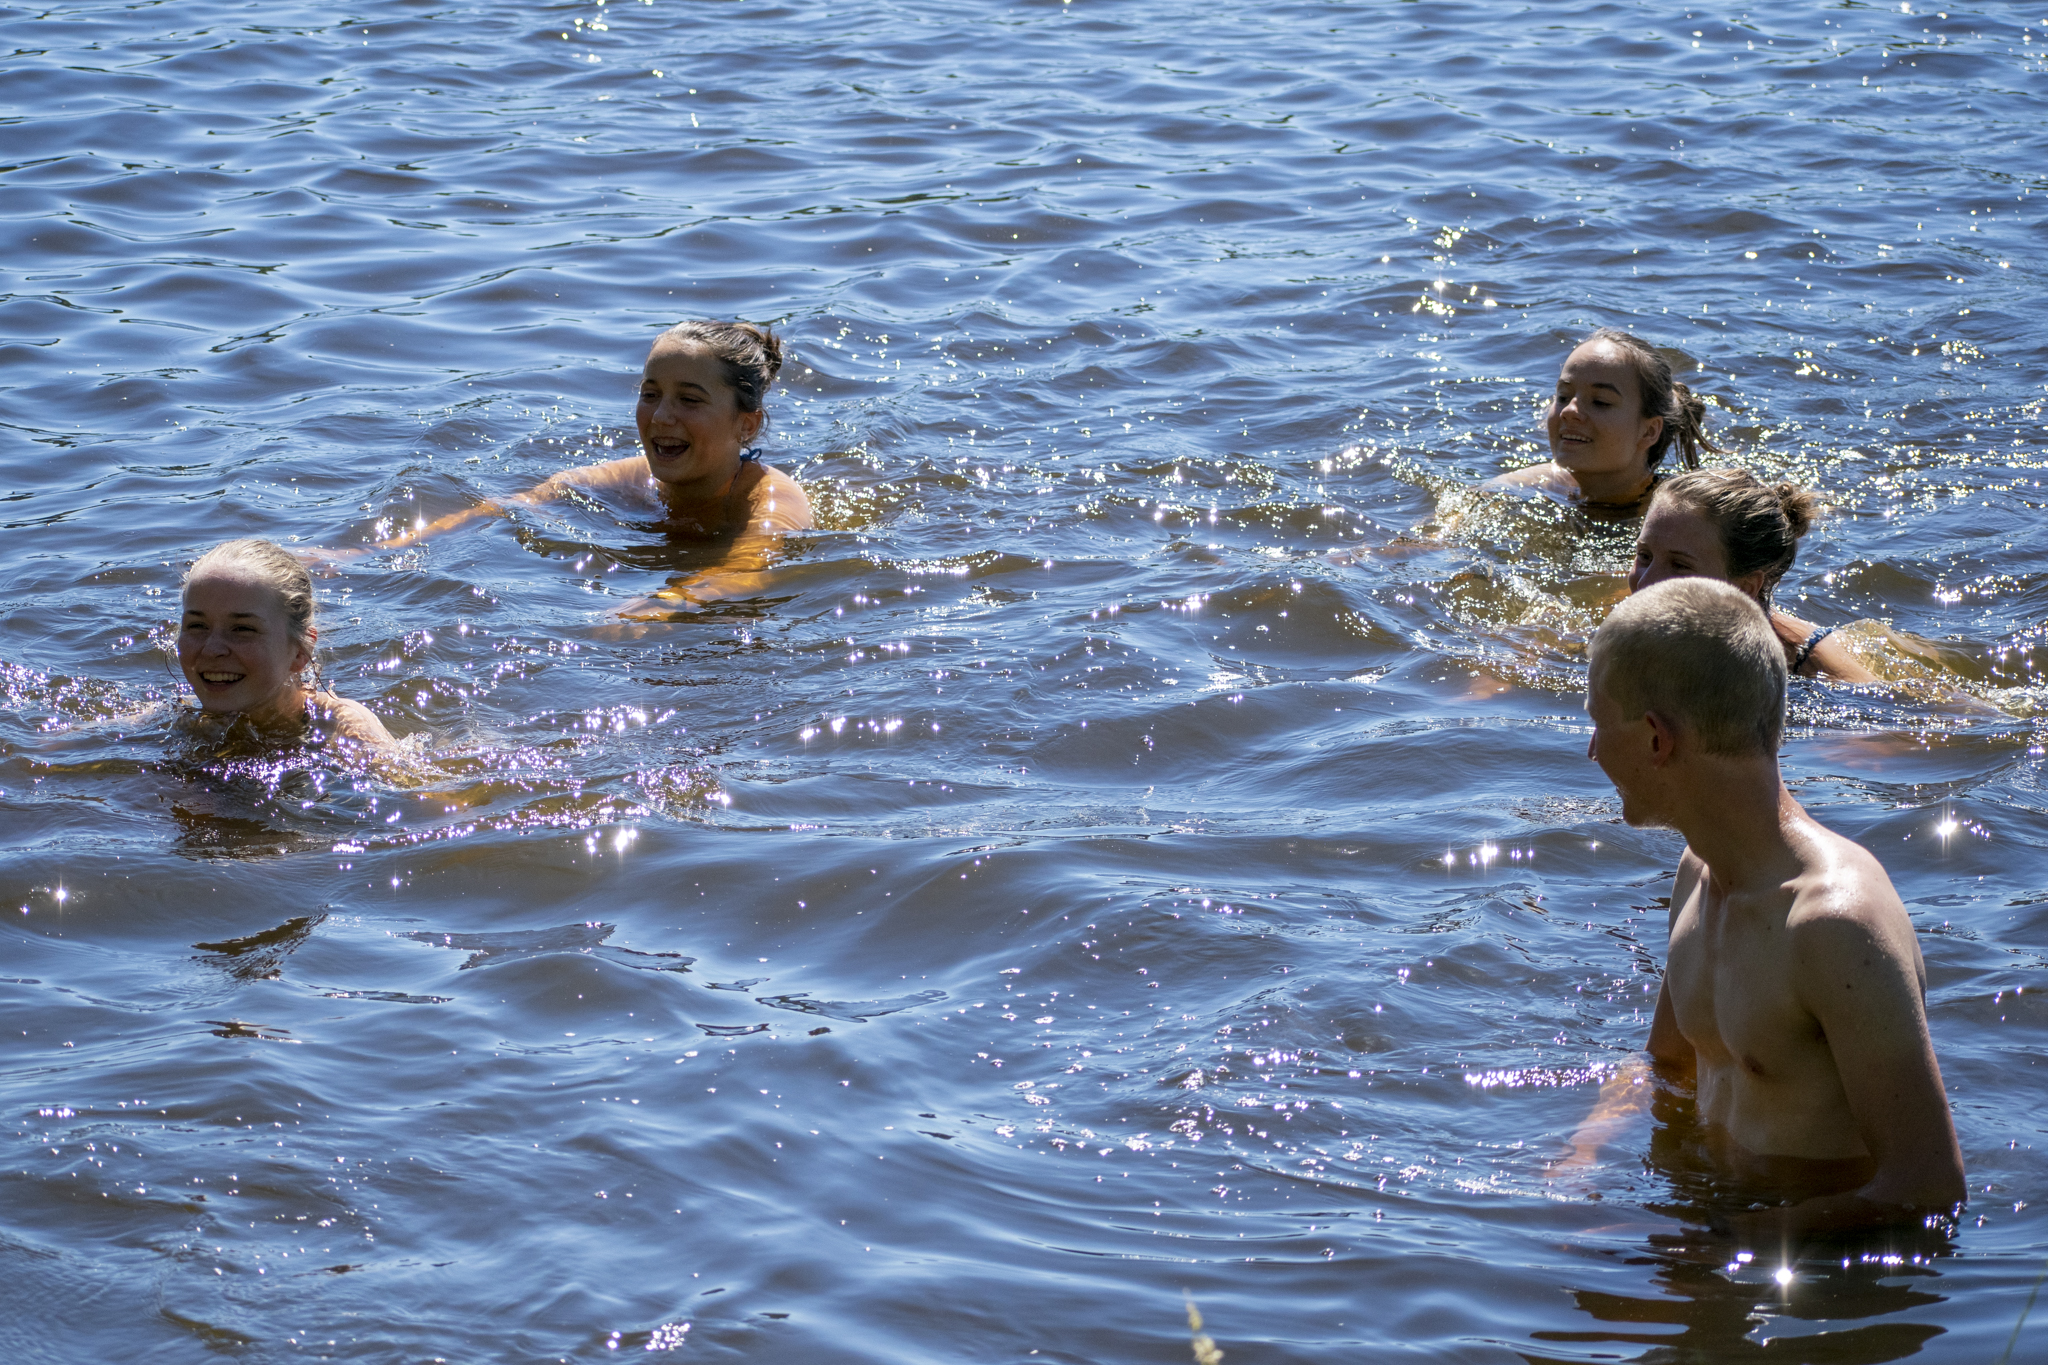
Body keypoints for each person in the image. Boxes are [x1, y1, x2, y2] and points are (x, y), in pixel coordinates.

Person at [1565, 578, 1964, 1238]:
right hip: (1720, 1225)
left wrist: (1733, 1247)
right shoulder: (1699, 872)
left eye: (1597, 722)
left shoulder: (1836, 925)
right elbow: (1667, 1063)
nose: (1591, 749)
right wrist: (1584, 1153)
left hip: (1818, 1277)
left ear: (1656, 739)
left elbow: (1928, 1186)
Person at [370, 320, 813, 610]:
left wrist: (655, 608)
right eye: (650, 394)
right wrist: (376, 553)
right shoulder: (628, 478)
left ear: (747, 425)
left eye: (689, 400)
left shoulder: (771, 500)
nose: (661, 417)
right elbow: (508, 508)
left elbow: (745, 570)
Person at [1628, 468, 1878, 683]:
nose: (1645, 582)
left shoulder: (1814, 666)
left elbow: (1889, 719)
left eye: (1680, 565)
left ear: (1744, 588)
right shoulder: (1638, 626)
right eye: (1645, 556)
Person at [178, 538, 395, 749]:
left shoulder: (343, 730)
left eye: (243, 629)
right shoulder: (180, 716)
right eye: (197, 625)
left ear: (300, 652)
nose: (211, 650)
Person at [1485, 328, 1713, 508]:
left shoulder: (1679, 515)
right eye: (1563, 396)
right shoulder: (1543, 484)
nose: (1568, 411)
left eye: (1600, 402)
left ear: (1649, 431)